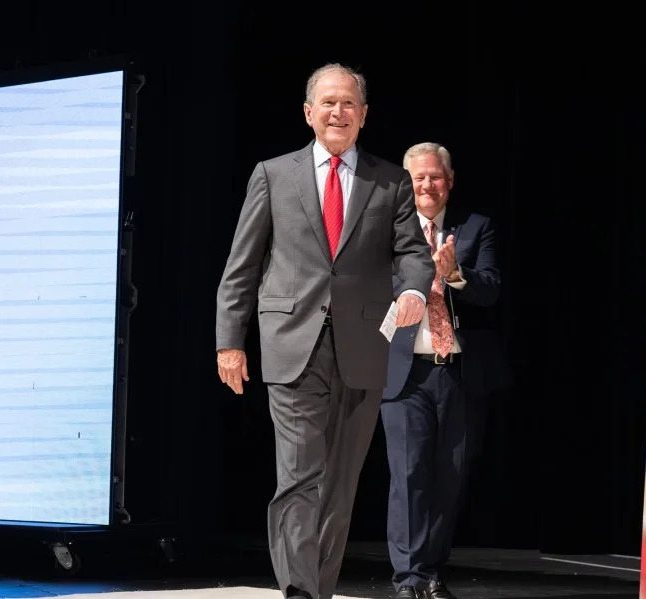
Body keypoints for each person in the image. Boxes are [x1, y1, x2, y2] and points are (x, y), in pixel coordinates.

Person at [214, 63, 435, 599]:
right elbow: (242, 266)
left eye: (349, 103)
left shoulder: (391, 180)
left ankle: (319, 590)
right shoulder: (273, 174)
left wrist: (412, 290)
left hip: (363, 349)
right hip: (292, 344)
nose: (339, 112)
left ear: (364, 115)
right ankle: (299, 591)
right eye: (329, 103)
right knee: (298, 476)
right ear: (309, 113)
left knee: (340, 485)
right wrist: (229, 342)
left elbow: (412, 253)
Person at [380, 143, 509, 599]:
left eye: (435, 177)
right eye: (418, 178)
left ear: (449, 181)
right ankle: (408, 577)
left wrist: (455, 275)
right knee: (409, 475)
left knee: (449, 479)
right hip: (405, 374)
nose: (427, 185)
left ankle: (431, 571)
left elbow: (490, 289)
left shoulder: (475, 228)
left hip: (459, 374)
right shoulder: (387, 229)